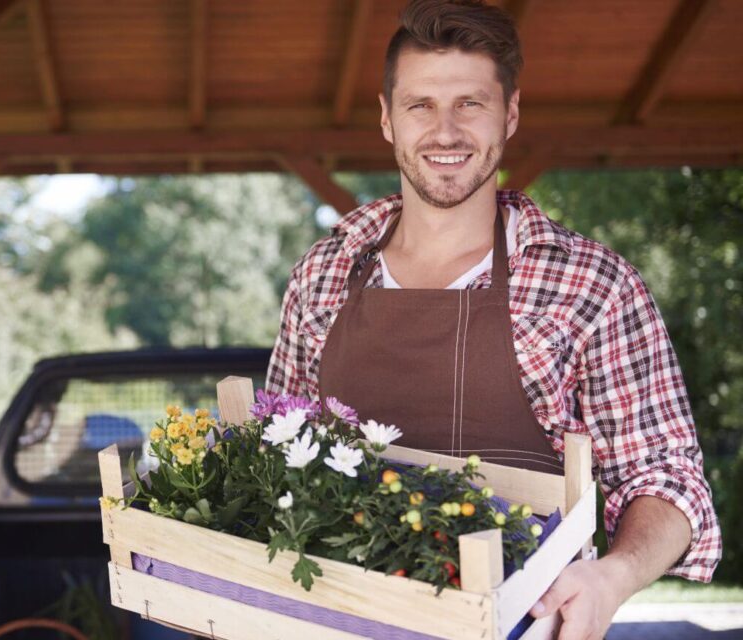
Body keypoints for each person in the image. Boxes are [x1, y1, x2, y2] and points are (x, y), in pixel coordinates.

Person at [265, 1, 722, 637]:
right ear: (387, 119)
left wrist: (611, 577)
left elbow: (667, 479)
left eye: (470, 104)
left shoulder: (590, 285)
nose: (445, 131)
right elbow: (280, 457)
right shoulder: (324, 276)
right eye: (421, 104)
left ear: (509, 114)